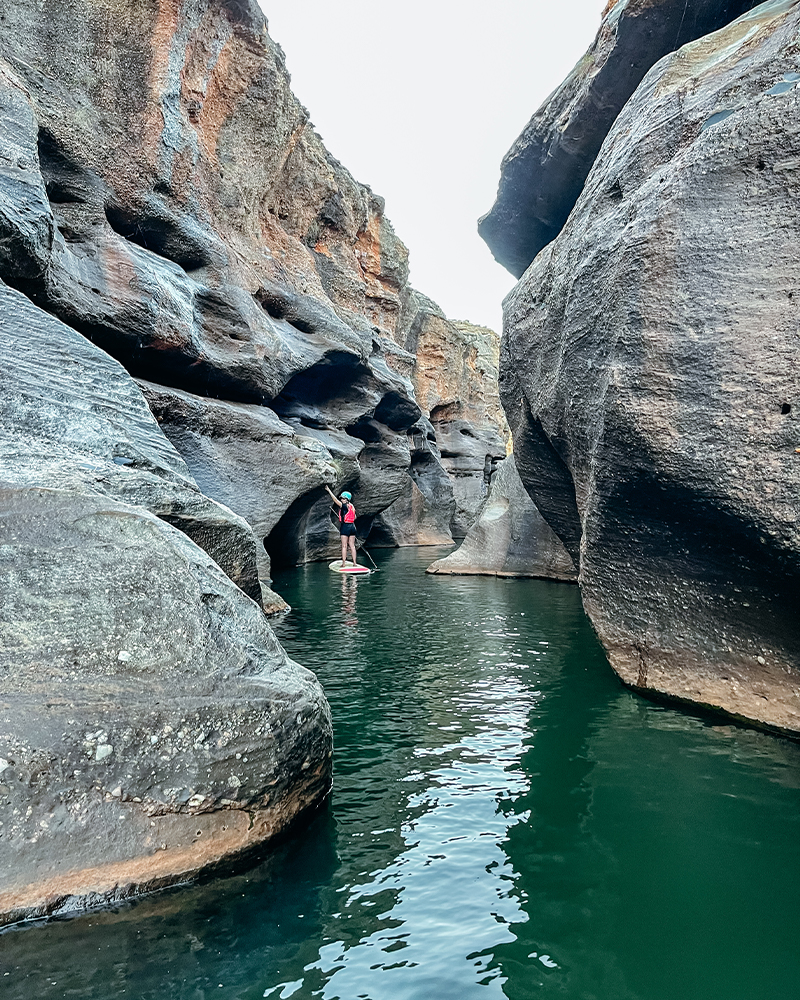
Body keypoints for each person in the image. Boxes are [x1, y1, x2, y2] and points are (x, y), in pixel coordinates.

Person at [325, 484, 359, 568]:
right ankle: (354, 563)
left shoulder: (344, 506)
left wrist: (329, 491)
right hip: (352, 527)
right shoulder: (352, 506)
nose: (342, 500)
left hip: (345, 527)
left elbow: (335, 500)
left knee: (344, 545)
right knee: (352, 546)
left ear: (347, 499)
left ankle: (343, 563)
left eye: (343, 498)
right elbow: (354, 517)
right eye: (342, 498)